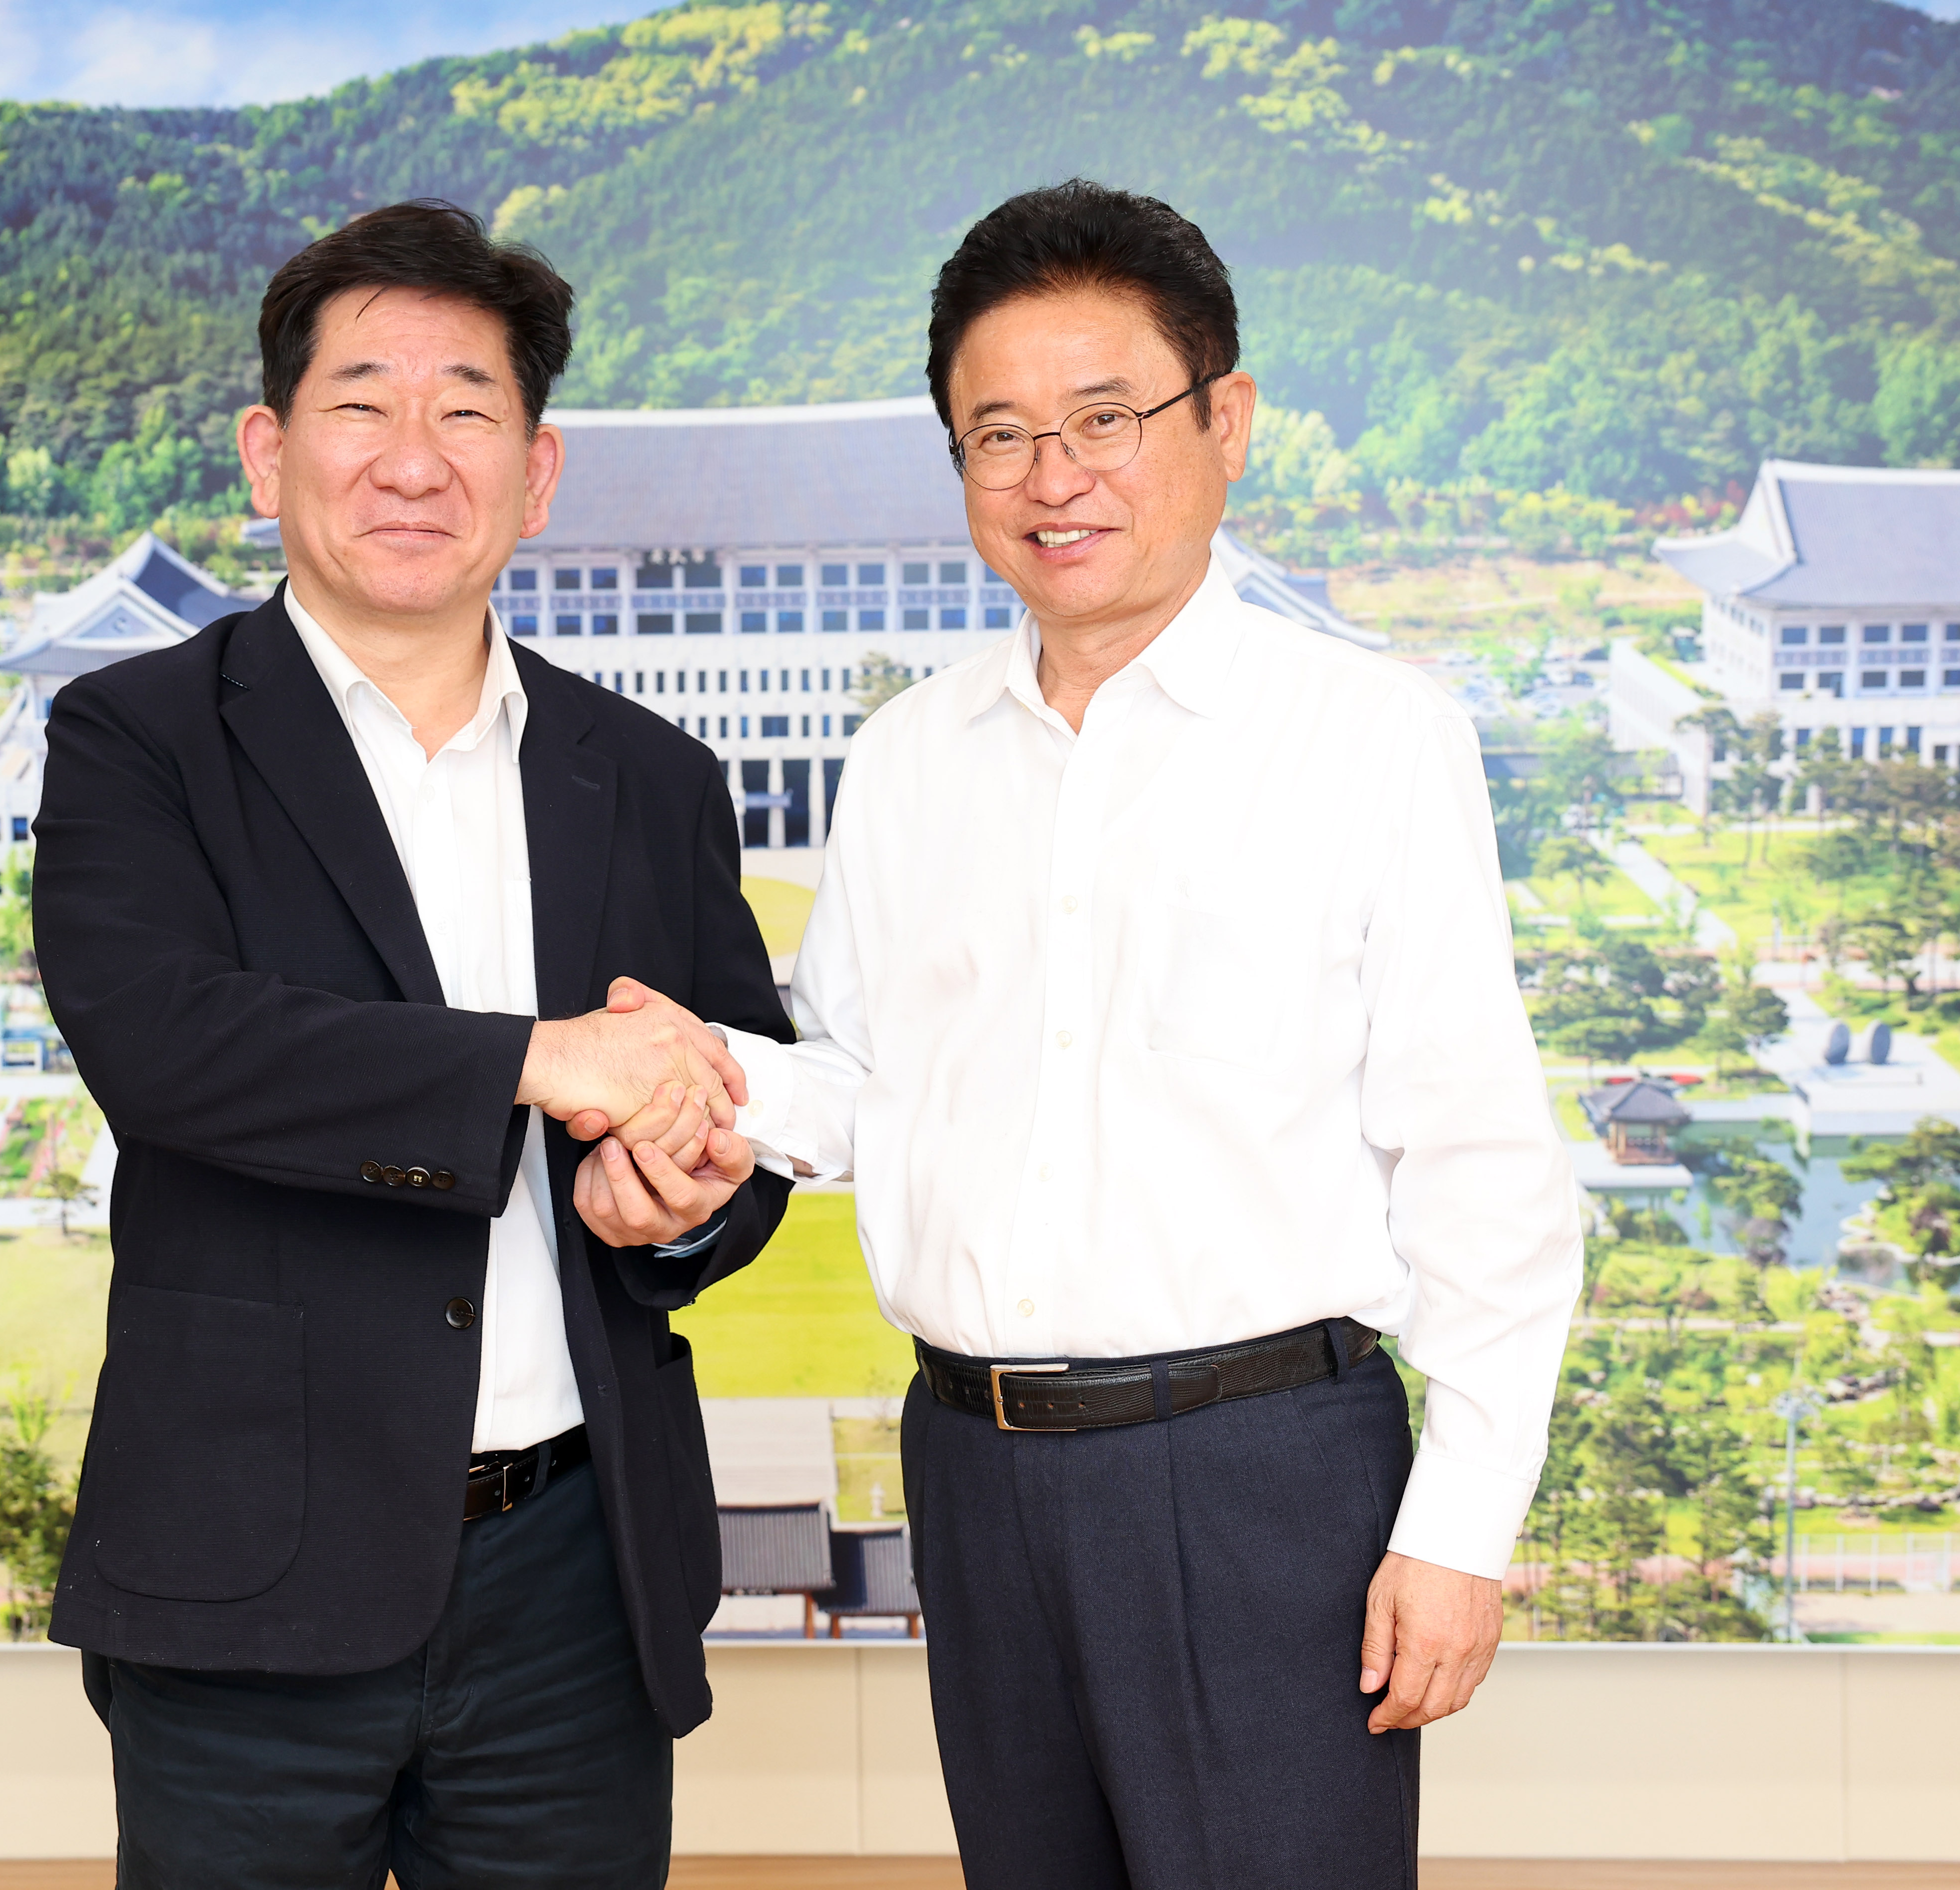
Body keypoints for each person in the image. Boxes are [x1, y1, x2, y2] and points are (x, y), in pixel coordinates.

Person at [590, 180, 1582, 1887]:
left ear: (1225, 422)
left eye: (1105, 419)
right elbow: (868, 1083)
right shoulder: (910, 755)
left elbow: (1477, 1157)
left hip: (1261, 1474)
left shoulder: (1366, 734)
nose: (1054, 477)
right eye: (1000, 435)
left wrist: (1460, 1528)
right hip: (974, 1470)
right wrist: (701, 1078)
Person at [32, 198, 787, 1887]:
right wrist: (532, 1060)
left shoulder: (647, 777)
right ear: (268, 452)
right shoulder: (137, 738)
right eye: (361, 404)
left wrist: (685, 1204)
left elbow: (735, 1097)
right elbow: (169, 1043)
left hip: (575, 1578)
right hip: (248, 1564)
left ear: (536, 473)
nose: (412, 459)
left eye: (467, 411)